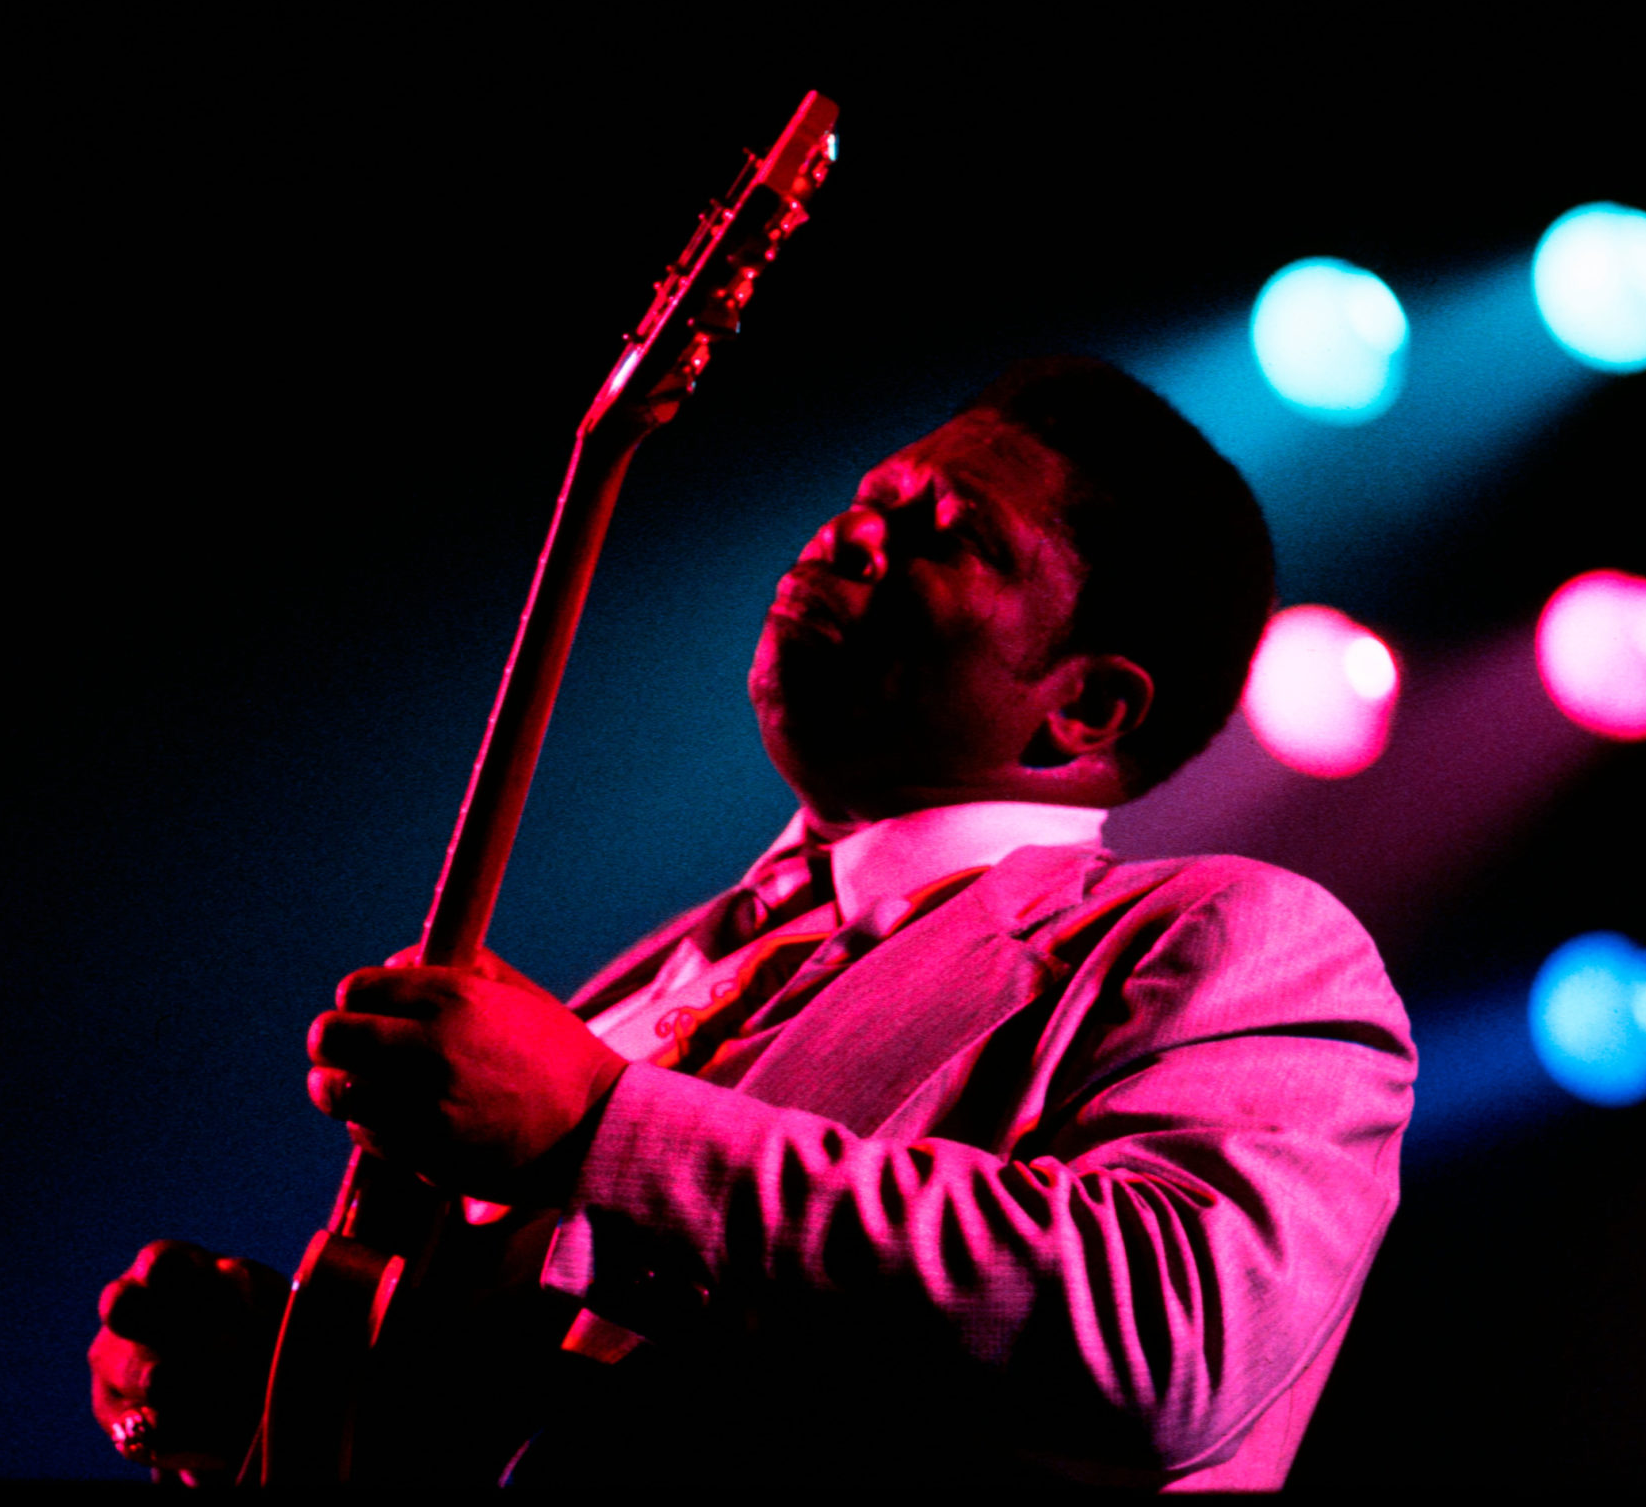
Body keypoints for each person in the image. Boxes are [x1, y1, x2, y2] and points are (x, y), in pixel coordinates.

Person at [89, 357, 1415, 1488]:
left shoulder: (1232, 935)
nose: (848, 533)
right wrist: (300, 1390)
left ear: (1087, 708)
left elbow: (1166, 1335)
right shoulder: (670, 961)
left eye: (942, 530)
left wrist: (602, 1124)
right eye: (866, 497)